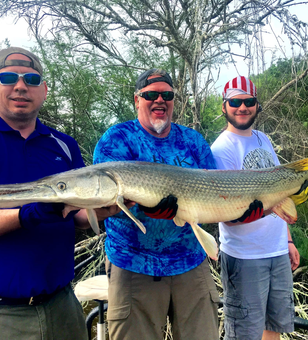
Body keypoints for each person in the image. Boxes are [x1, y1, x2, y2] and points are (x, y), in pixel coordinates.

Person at [0, 46, 121, 340]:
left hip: (63, 306)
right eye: (8, 78)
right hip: (5, 316)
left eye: (31, 79)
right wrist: (29, 214)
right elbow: (42, 211)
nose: (20, 86)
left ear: (44, 90)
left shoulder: (63, 145)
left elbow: (78, 214)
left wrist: (105, 209)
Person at [93, 68, 220, 340]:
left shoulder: (193, 141)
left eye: (167, 94)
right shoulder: (117, 139)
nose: (159, 100)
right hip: (134, 265)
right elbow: (103, 200)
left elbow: (214, 194)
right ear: (137, 100)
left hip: (191, 263)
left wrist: (251, 208)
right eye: (150, 94)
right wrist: (142, 207)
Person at [211, 76, 300, 340]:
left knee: (274, 326)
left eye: (248, 101)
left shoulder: (263, 139)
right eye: (235, 102)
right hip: (244, 256)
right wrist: (268, 209)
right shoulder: (221, 149)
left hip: (277, 250)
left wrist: (289, 240)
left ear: (257, 105)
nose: (242, 107)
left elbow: (280, 193)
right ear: (224, 106)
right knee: (244, 334)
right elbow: (226, 215)